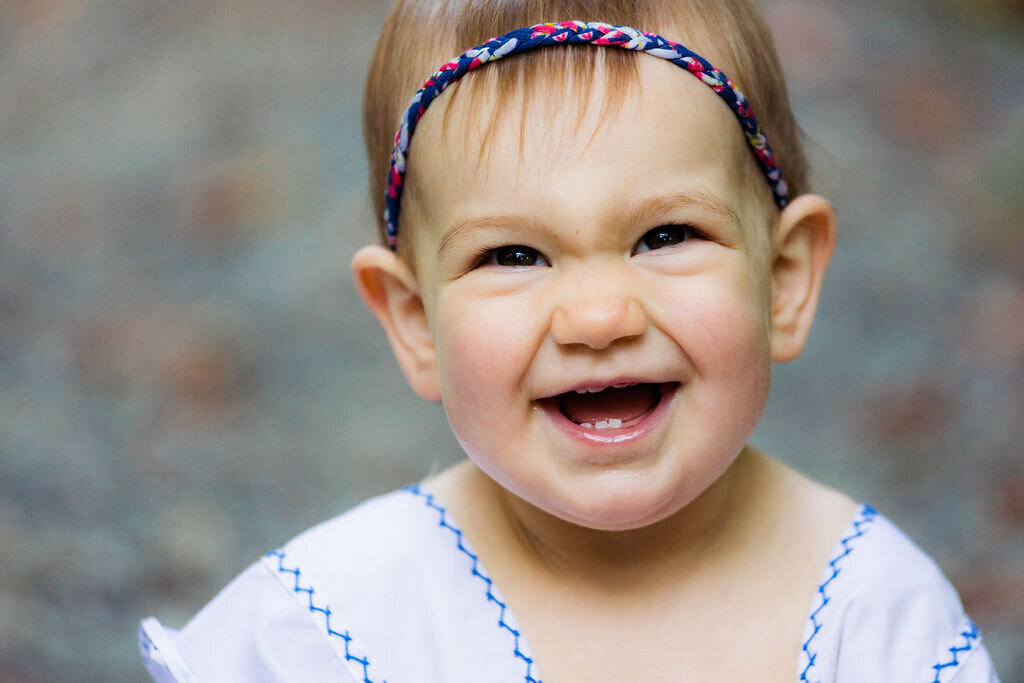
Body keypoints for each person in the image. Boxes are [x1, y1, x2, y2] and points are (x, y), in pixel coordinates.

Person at [139, 1, 1002, 681]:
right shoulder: (327, 627)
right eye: (512, 254)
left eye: (666, 236)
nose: (598, 318)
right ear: (414, 322)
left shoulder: (872, 616)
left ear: (784, 280)